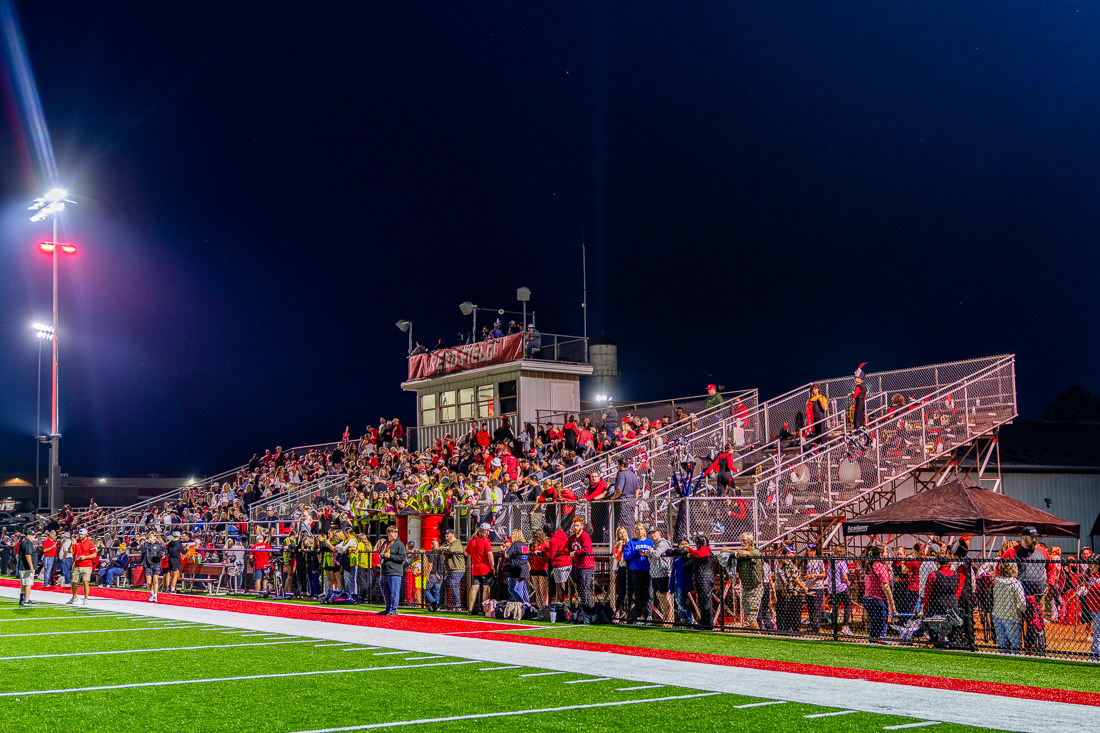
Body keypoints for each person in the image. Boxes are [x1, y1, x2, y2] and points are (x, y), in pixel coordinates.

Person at [862, 544, 897, 643]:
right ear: (881, 555)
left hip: (868, 599)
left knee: (874, 625)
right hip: (877, 599)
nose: (886, 555)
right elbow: (885, 586)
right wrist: (892, 605)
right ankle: (880, 639)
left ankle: (874, 641)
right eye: (885, 553)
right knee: (881, 626)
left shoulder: (871, 565)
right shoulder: (880, 567)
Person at [992, 562, 1027, 654]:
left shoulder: (996, 581)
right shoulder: (1016, 584)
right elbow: (1022, 602)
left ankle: (1002, 655)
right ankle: (1015, 657)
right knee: (1015, 643)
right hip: (1011, 616)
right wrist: (1023, 611)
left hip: (997, 614)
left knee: (1002, 640)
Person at [732, 532, 764, 630]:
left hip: (755, 588)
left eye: (744, 541)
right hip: (745, 587)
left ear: (750, 541)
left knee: (751, 616)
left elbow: (747, 554)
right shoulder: (740, 554)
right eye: (741, 541)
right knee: (747, 614)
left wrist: (737, 552)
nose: (742, 543)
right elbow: (737, 570)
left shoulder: (755, 551)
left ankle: (758, 635)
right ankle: (756, 633)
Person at [623, 522, 653, 623]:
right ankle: (639, 616)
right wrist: (636, 552)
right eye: (637, 529)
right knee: (638, 593)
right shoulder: (632, 542)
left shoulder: (649, 542)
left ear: (644, 530)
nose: (640, 531)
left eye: (641, 529)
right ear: (635, 531)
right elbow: (626, 556)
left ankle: (649, 616)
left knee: (648, 593)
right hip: (636, 571)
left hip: (647, 570)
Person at [465, 523, 495, 614]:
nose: (488, 533)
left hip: (475, 567)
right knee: (486, 588)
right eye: (488, 531)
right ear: (485, 532)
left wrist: (475, 555)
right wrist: (493, 566)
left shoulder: (472, 540)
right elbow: (489, 553)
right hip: (485, 567)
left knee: (474, 588)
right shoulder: (486, 540)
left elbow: (466, 553)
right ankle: (485, 609)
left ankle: (470, 609)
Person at [567, 515, 594, 607]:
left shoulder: (585, 536)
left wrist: (575, 553)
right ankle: (583, 606)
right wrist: (570, 552)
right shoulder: (572, 537)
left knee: (585, 587)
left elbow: (586, 549)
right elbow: (567, 547)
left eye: (577, 525)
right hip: (577, 565)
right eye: (574, 525)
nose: (575, 527)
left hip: (586, 565)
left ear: (582, 526)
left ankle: (589, 607)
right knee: (579, 587)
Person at [378, 525, 406, 615]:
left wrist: (390, 556)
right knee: (386, 592)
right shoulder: (385, 543)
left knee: (394, 592)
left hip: (394, 571)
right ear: (388, 533)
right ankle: (387, 608)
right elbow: (382, 552)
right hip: (384, 571)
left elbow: (403, 557)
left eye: (396, 532)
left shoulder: (399, 544)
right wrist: (381, 555)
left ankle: (393, 610)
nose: (395, 534)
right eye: (393, 532)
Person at [648, 528, 673, 625]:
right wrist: (650, 552)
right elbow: (652, 557)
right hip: (655, 574)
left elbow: (656, 554)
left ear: (659, 533)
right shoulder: (654, 545)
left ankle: (669, 620)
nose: (652, 535)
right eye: (651, 534)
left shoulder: (663, 543)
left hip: (663, 574)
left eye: (654, 533)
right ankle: (665, 619)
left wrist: (650, 552)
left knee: (666, 597)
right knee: (660, 597)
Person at [827, 546, 853, 635]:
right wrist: (848, 584)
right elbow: (845, 577)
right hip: (841, 587)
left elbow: (828, 575)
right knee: (847, 605)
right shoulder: (842, 563)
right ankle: (845, 626)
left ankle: (834, 628)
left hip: (832, 587)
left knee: (835, 607)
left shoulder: (831, 564)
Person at [439, 528, 466, 611]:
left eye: (448, 534)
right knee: (449, 584)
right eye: (446, 534)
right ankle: (452, 603)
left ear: (453, 535)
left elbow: (451, 550)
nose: (446, 535)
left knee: (453, 583)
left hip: (457, 568)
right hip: (450, 569)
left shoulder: (457, 543)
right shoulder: (446, 543)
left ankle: (457, 604)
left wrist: (445, 549)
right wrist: (445, 548)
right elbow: (438, 550)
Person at [505, 529, 531, 604]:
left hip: (516, 568)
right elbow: (525, 557)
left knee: (511, 588)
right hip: (524, 567)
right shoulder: (524, 545)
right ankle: (527, 603)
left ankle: (522, 603)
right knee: (521, 587)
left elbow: (507, 555)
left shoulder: (515, 545)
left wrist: (506, 549)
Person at [613, 458, 639, 530]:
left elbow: (619, 490)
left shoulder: (622, 474)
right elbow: (637, 489)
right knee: (630, 521)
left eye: (618, 465)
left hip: (623, 502)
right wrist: (635, 499)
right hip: (631, 501)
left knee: (625, 524)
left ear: (622, 465)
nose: (617, 467)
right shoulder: (632, 474)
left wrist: (613, 498)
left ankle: (629, 537)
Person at [141, 532, 165, 602]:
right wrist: (146, 543)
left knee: (155, 580)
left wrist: (163, 556)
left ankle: (155, 595)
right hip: (148, 564)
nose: (150, 539)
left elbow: (163, 552)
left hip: (156, 564)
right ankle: (151, 592)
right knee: (149, 582)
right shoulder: (146, 545)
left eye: (151, 537)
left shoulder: (159, 545)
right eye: (149, 537)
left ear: (155, 537)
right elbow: (142, 550)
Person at [17, 530, 37, 606]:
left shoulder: (24, 542)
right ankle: (26, 600)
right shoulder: (28, 543)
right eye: (32, 535)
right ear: (28, 535)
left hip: (23, 566)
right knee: (28, 583)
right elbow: (28, 555)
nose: (34, 537)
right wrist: (31, 566)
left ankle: (22, 599)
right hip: (26, 567)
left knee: (24, 583)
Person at [851, 363, 869, 429]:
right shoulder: (864, 386)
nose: (855, 379)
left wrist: (852, 395)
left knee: (857, 418)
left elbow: (854, 395)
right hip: (863, 402)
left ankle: (857, 432)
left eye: (856, 378)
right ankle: (862, 430)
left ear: (859, 378)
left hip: (859, 403)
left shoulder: (858, 386)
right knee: (861, 418)